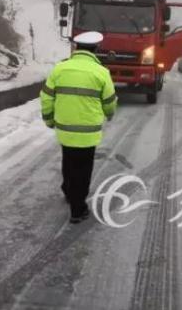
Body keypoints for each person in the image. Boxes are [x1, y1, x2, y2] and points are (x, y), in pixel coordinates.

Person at [40, 31, 117, 223]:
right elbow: (110, 101)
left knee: (68, 160)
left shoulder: (60, 69)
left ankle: (68, 190)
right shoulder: (101, 72)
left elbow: (46, 97)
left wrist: (49, 120)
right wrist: (109, 114)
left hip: (65, 129)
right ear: (96, 49)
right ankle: (78, 208)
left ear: (76, 48)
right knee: (83, 168)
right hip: (88, 131)